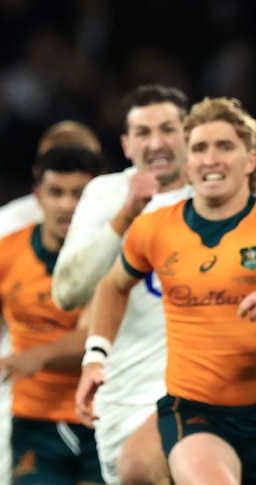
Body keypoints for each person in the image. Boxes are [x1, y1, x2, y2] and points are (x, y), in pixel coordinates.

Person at [75, 96, 256, 485]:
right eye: (199, 148)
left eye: (224, 146)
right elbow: (112, 285)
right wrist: (95, 356)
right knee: (141, 467)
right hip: (191, 409)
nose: (210, 158)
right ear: (187, 163)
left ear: (251, 160)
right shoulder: (154, 229)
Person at [52, 83, 191, 485]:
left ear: (188, 133)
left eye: (168, 129)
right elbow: (67, 292)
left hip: (196, 383)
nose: (157, 143)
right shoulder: (106, 194)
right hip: (120, 391)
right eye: (144, 133)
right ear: (126, 145)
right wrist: (126, 215)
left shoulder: (216, 195)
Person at [0, 146, 105, 485]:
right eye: (56, 192)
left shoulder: (114, 255)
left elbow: (96, 335)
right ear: (38, 196)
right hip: (35, 420)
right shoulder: (7, 251)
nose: (67, 205)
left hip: (101, 415)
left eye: (79, 194)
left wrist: (40, 356)